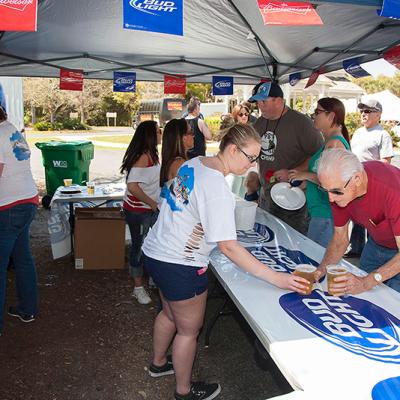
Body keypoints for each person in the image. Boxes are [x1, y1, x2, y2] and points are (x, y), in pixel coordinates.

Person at [142, 123, 309, 400]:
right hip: (180, 263)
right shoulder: (217, 186)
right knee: (188, 330)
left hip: (157, 252)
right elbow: (229, 247)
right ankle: (184, 392)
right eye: (250, 157)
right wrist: (278, 278)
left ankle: (159, 363)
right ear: (232, 149)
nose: (252, 164)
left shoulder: (195, 162)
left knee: (170, 313)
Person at [315, 148, 400, 295]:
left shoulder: (391, 190)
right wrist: (320, 271)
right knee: (364, 295)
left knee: (392, 301)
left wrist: (367, 282)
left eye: (335, 191)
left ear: (357, 179)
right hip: (377, 244)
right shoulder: (339, 189)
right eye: (325, 190)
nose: (330, 199)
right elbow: (339, 239)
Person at [249, 81, 323, 234]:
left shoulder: (301, 123)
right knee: (267, 238)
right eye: (258, 102)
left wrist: (292, 171)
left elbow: (319, 155)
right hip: (267, 194)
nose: (260, 106)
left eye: (263, 101)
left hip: (293, 197)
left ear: (279, 101)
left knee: (293, 240)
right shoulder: (260, 123)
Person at [288, 98, 350, 247]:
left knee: (318, 264)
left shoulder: (335, 144)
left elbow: (334, 183)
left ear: (331, 116)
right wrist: (303, 184)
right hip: (319, 212)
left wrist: (304, 175)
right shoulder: (330, 142)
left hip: (326, 214)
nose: (313, 116)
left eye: (317, 112)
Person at [0, 106, 39, 335]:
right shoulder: (11, 129)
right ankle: (28, 308)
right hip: (27, 200)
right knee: (23, 257)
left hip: (9, 206)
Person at [120, 120, 162, 305]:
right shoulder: (143, 157)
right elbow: (132, 186)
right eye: (158, 131)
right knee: (139, 248)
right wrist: (152, 203)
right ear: (151, 136)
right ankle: (138, 287)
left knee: (151, 245)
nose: (161, 133)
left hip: (147, 209)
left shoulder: (152, 154)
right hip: (138, 211)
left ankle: (151, 279)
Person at [346, 99, 394, 258]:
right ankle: (356, 248)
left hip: (372, 185)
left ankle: (371, 251)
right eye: (362, 111)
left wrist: (367, 169)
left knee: (373, 219)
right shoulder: (359, 132)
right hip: (355, 182)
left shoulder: (383, 134)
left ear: (378, 115)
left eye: (367, 111)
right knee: (357, 217)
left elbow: (386, 162)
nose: (363, 114)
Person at [160, 118, 194, 187]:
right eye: (191, 132)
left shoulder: (174, 161)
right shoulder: (179, 163)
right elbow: (183, 193)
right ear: (183, 138)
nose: (193, 136)